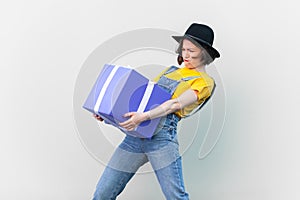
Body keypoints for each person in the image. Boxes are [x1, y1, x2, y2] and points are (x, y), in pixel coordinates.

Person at [92, 23, 220, 200]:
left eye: (192, 50)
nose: (186, 55)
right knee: (103, 192)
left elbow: (174, 104)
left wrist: (144, 116)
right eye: (184, 50)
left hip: (161, 140)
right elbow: (143, 100)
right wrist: (107, 116)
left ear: (205, 52)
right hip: (135, 138)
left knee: (175, 196)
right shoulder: (171, 71)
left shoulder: (205, 82)